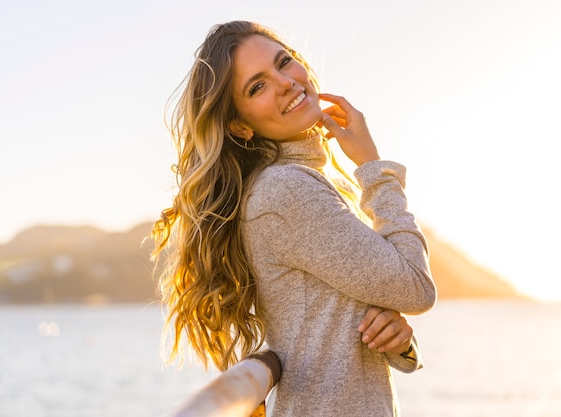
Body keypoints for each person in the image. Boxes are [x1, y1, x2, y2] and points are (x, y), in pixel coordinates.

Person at [151, 20, 437, 416]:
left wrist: (399, 341)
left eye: (284, 62)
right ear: (240, 125)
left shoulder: (299, 183)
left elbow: (325, 324)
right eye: (258, 86)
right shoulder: (285, 191)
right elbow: (417, 288)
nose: (285, 82)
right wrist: (373, 166)